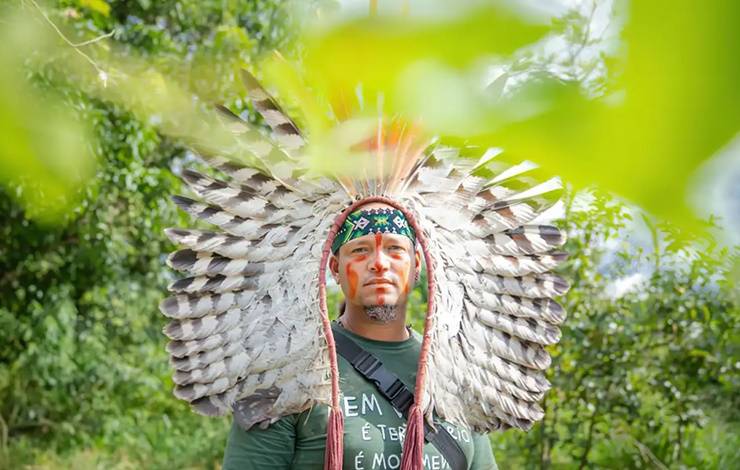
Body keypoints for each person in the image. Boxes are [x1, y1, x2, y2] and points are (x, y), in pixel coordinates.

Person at [222, 202, 498, 469]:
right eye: (360, 251)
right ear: (334, 269)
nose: (378, 263)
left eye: (394, 249)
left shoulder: (452, 373)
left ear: (416, 265)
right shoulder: (285, 372)